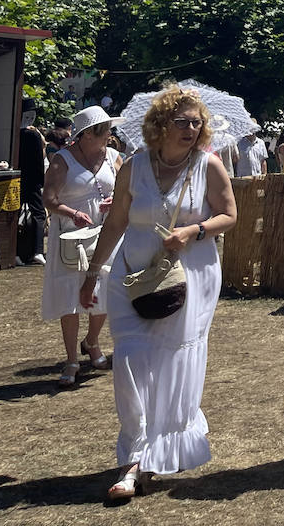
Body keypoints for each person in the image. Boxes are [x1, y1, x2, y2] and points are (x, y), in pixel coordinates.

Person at [80, 85, 237, 500]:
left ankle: (157, 454)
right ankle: (132, 458)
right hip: (131, 277)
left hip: (189, 278)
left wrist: (194, 230)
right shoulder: (133, 166)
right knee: (130, 362)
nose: (191, 128)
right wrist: (93, 273)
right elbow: (115, 223)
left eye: (196, 121)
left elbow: (230, 215)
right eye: (181, 121)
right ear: (160, 125)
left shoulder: (208, 166)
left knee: (170, 365)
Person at [42, 105, 124, 385]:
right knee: (70, 296)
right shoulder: (61, 160)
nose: (109, 136)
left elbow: (127, 190)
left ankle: (92, 342)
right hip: (72, 236)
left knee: (103, 289)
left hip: (106, 231)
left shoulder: (114, 156)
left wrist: (117, 201)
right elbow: (49, 199)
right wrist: (72, 213)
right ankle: (71, 360)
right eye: (105, 131)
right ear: (88, 134)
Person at [16, 97, 48, 266]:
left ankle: (16, 252)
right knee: (39, 214)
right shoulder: (33, 134)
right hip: (32, 180)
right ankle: (37, 251)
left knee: (15, 212)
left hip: (16, 178)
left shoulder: (15, 133)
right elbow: (38, 160)